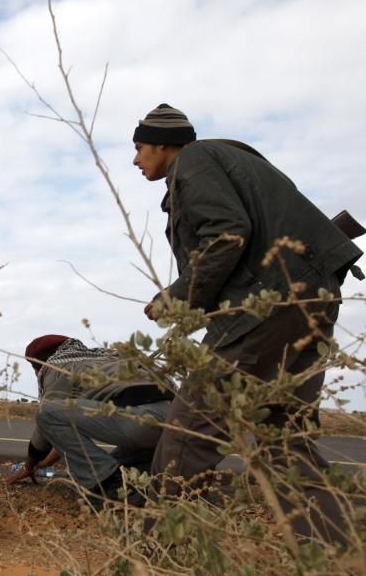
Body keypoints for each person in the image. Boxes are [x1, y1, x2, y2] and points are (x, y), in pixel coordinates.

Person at [132, 103, 363, 543]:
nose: (136, 159)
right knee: (282, 441)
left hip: (268, 308)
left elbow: (226, 235)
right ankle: (336, 554)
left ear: (163, 144)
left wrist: (177, 298)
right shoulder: (229, 160)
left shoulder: (194, 162)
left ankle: (154, 550)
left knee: (188, 429)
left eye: (140, 148)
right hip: (304, 301)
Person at [7, 335, 172, 508]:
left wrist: (29, 466)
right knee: (114, 464)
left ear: (39, 363)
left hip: (141, 423)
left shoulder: (57, 367)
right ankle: (148, 486)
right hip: (172, 425)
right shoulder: (106, 358)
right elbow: (65, 431)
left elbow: (46, 425)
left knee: (46, 414)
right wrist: (46, 463)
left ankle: (110, 490)